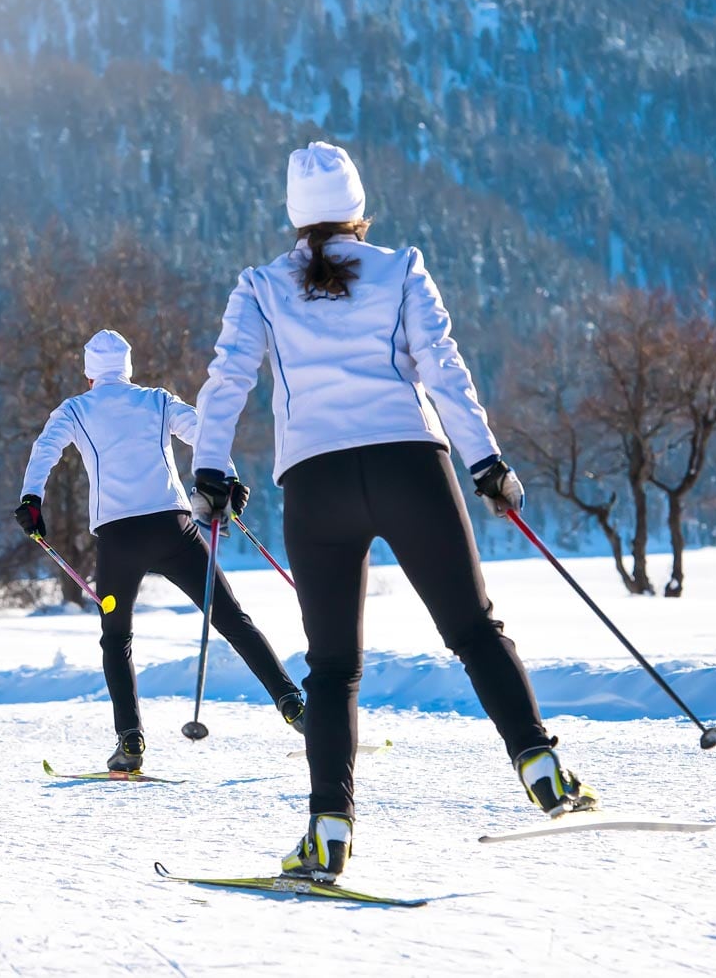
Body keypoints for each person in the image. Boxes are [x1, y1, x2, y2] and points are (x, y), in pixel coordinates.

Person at [188, 142, 596, 881]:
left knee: (333, 667)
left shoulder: (259, 287)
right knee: (473, 628)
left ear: (294, 217)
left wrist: (209, 472)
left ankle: (329, 830)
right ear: (356, 207)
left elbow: (226, 381)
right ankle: (540, 766)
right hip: (412, 466)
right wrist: (487, 463)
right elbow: (444, 366)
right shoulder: (400, 266)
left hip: (316, 484)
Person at [15, 329, 306, 772]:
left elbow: (45, 451)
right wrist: (224, 481)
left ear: (89, 373)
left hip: (119, 540)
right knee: (232, 619)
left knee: (117, 640)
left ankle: (130, 742)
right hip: (174, 529)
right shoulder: (155, 400)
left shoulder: (75, 409)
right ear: (128, 368)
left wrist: (31, 501)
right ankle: (294, 706)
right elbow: (203, 434)